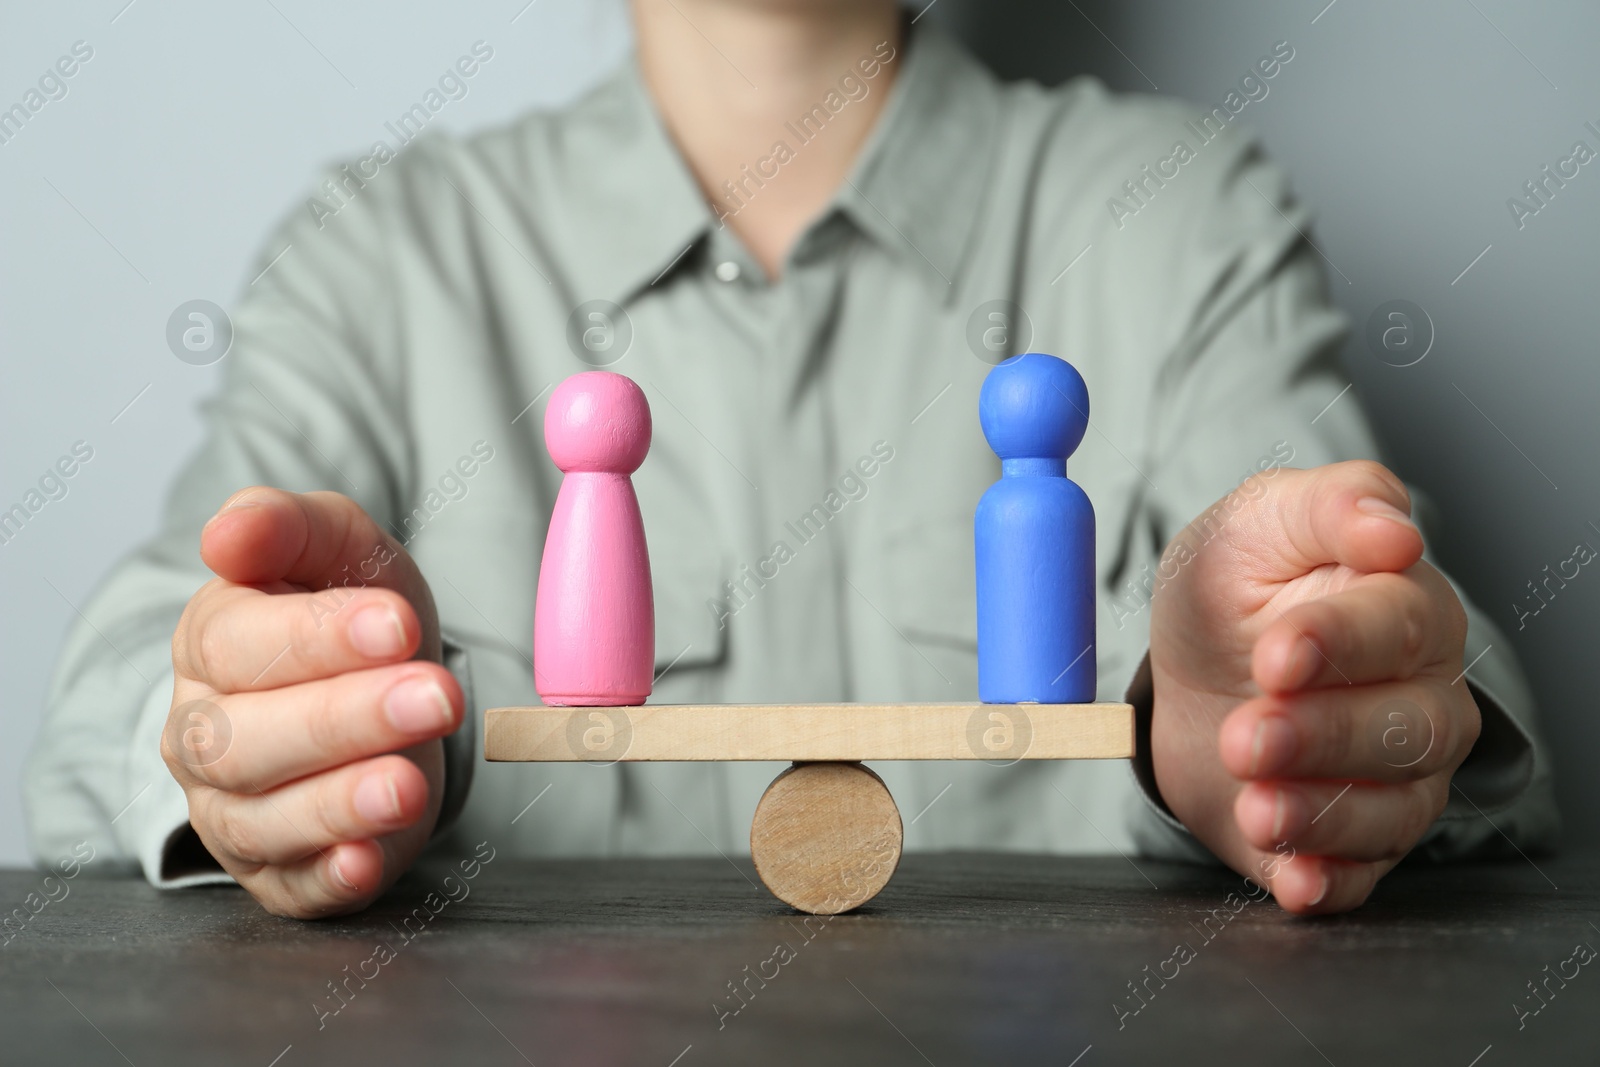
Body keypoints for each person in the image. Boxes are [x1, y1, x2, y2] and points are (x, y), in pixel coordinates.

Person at [25, 0, 1556, 919]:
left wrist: (1303, 696)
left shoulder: (1179, 214)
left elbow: (1399, 641)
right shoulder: (378, 259)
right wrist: (265, 722)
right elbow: (133, 686)